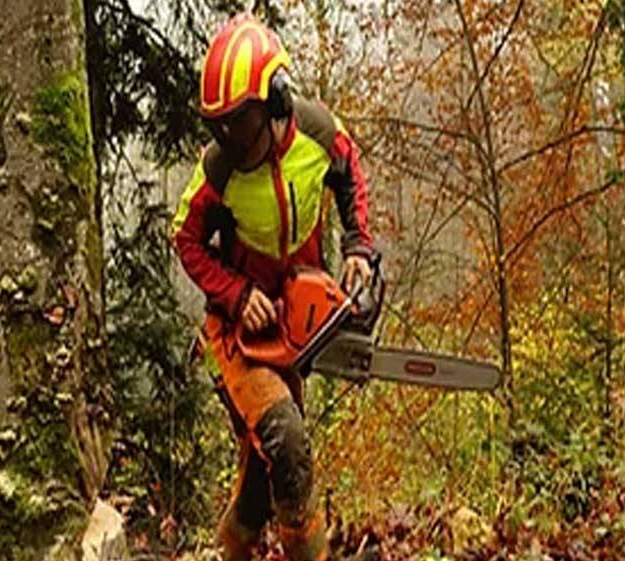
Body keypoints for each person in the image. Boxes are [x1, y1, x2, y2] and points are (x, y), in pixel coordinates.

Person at [170, 13, 376, 561]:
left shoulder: (316, 133)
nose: (228, 138)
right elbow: (184, 239)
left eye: (238, 122)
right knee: (286, 441)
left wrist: (358, 246)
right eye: (219, 124)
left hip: (293, 317)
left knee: (264, 483)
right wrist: (236, 294)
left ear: (276, 102)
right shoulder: (220, 169)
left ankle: (229, 550)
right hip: (242, 331)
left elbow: (349, 171)